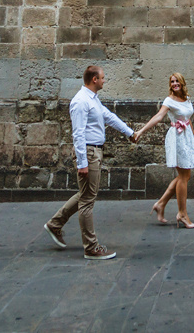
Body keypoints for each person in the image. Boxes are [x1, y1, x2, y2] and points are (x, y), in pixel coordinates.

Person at [44, 65, 136, 260]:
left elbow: (109, 117)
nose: (104, 81)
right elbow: (78, 134)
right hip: (89, 152)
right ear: (94, 79)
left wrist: (130, 133)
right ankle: (91, 247)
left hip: (95, 152)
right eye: (102, 78)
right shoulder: (80, 101)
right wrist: (82, 163)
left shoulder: (92, 99)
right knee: (87, 200)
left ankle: (55, 224)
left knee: (85, 194)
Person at [133, 72, 194, 228]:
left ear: (182, 82)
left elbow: (188, 119)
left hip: (187, 137)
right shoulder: (169, 100)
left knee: (185, 175)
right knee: (184, 176)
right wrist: (141, 131)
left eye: (177, 81)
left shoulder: (186, 98)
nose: (174, 83)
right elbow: (158, 116)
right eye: (172, 81)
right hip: (176, 139)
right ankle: (182, 214)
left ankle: (161, 204)